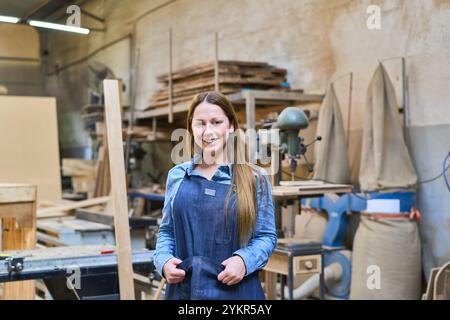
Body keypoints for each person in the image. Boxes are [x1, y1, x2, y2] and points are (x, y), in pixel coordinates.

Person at [154, 91, 277, 300]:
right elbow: (167, 231)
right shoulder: (177, 175)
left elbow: (266, 236)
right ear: (191, 128)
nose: (208, 131)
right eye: (200, 123)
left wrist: (244, 261)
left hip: (237, 291)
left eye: (216, 122)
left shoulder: (255, 177)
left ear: (230, 126)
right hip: (185, 291)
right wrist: (163, 261)